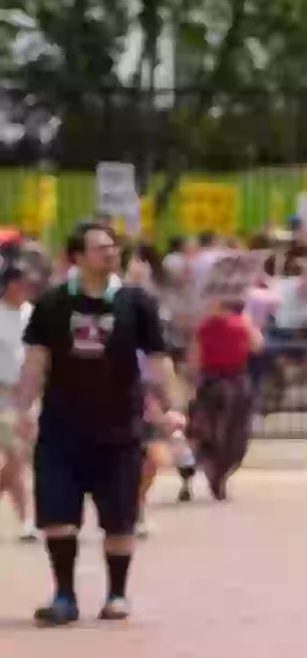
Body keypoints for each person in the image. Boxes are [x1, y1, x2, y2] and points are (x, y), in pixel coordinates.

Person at [13, 222, 177, 625]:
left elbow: (157, 359)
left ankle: (117, 594)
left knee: (120, 517)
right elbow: (36, 362)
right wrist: (22, 411)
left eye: (112, 246)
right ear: (77, 257)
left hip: (120, 428)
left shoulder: (136, 302)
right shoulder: (52, 303)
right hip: (61, 428)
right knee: (56, 516)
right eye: (100, 247)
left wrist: (170, 407)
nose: (110, 253)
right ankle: (64, 596)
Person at [186, 297, 264, 501]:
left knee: (209, 431)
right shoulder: (241, 323)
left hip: (212, 381)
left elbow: (194, 359)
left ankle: (211, 471)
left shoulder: (204, 327)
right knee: (235, 431)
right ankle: (219, 474)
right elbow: (257, 345)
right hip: (235, 380)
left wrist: (193, 384)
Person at [0, 262, 37, 540]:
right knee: (15, 455)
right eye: (22, 283)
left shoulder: (33, 315)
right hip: (3, 395)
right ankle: (26, 520)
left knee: (23, 458)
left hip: (30, 395)